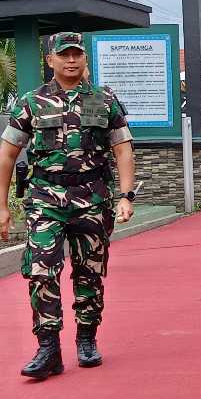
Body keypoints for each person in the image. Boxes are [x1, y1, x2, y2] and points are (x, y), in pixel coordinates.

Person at [0, 32, 136, 379]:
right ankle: (48, 347)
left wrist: (125, 195)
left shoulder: (104, 99)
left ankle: (87, 338)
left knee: (89, 270)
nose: (71, 60)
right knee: (41, 269)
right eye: (64, 55)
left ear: (85, 59)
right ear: (50, 60)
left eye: (77, 54)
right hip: (45, 199)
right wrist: (1, 206)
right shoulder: (31, 102)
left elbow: (122, 149)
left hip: (91, 198)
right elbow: (7, 154)